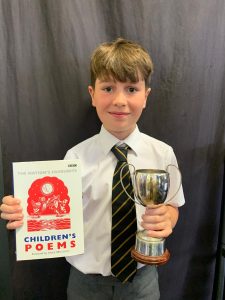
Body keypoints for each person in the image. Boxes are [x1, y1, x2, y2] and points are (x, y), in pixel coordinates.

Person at [0, 37, 185, 300]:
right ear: (92, 95)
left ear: (146, 96)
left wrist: (168, 217)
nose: (120, 100)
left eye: (132, 89)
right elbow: (55, 212)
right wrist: (24, 213)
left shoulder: (163, 154)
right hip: (85, 285)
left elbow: (173, 205)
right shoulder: (75, 156)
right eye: (108, 88)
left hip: (142, 282)